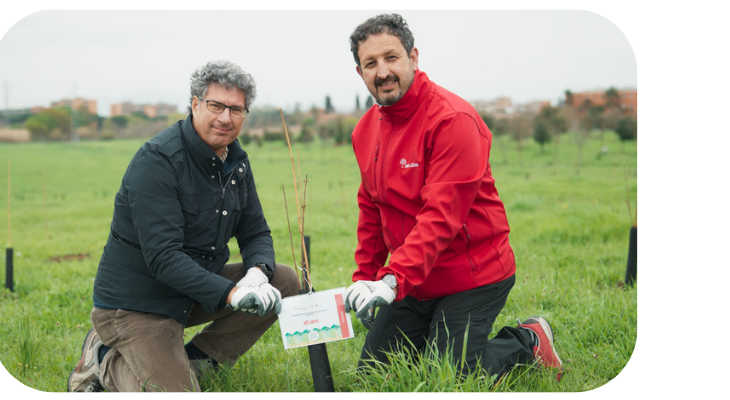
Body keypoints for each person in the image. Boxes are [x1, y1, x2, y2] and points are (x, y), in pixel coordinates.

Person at [342, 14, 563, 382]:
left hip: (473, 275)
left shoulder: (452, 120)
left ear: (413, 58)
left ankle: (529, 340)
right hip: (415, 280)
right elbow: (371, 208)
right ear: (359, 72)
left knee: (448, 376)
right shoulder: (365, 130)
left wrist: (391, 280)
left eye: (391, 57)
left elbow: (441, 217)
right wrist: (366, 278)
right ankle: (434, 334)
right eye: (371, 63)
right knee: (374, 376)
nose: (382, 72)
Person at [67, 60, 300, 393]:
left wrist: (256, 275)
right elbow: (163, 258)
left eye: (236, 109)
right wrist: (233, 293)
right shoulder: (158, 161)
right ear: (195, 104)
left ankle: (199, 362)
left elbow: (255, 232)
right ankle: (104, 362)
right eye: (216, 105)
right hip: (138, 305)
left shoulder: (235, 161)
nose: (226, 118)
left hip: (192, 292)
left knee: (284, 280)